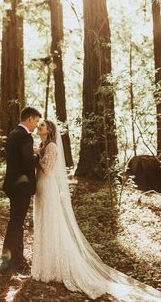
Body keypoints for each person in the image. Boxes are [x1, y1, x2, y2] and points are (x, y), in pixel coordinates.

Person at [31, 119, 161, 301]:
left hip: (47, 187)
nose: (38, 127)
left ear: (49, 130)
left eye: (41, 126)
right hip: (40, 187)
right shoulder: (42, 144)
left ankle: (54, 267)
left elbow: (46, 168)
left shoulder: (51, 146)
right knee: (43, 222)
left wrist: (35, 156)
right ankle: (46, 263)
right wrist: (36, 151)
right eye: (38, 126)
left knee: (51, 222)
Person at [1, 106, 41, 273]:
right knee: (16, 223)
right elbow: (28, 163)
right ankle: (11, 262)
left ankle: (14, 258)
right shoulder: (25, 137)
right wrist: (38, 155)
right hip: (21, 187)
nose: (36, 126)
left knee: (15, 222)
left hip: (12, 185)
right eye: (36, 121)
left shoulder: (13, 134)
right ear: (30, 118)